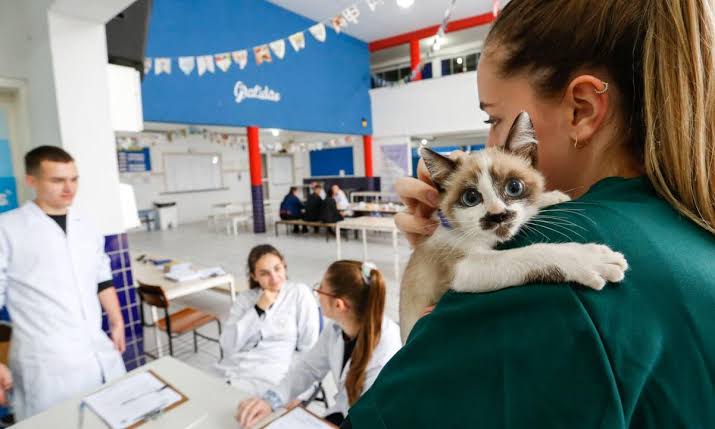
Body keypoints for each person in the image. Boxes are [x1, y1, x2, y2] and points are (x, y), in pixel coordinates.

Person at [344, 1, 715, 428]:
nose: (489, 141)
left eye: (494, 118)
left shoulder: (554, 266)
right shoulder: (694, 229)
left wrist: (451, 315)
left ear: (582, 110)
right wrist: (455, 246)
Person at [0, 146, 126, 420]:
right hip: (46, 361)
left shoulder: (86, 225)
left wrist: (116, 322)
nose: (69, 188)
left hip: (96, 348)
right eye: (57, 180)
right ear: (31, 181)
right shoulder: (7, 229)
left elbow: (101, 277)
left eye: (73, 179)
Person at [237, 261, 401, 428]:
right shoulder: (337, 328)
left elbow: (373, 417)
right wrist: (270, 401)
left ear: (339, 305)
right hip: (346, 415)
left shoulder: (387, 347)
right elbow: (309, 368)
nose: (317, 293)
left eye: (320, 289)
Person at [216, 245, 320, 395]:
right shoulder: (245, 299)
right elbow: (227, 344)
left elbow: (307, 344)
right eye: (264, 273)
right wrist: (258, 310)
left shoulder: (299, 293)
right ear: (254, 276)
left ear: (284, 266)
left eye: (277, 269)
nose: (274, 278)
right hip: (230, 370)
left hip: (270, 375)